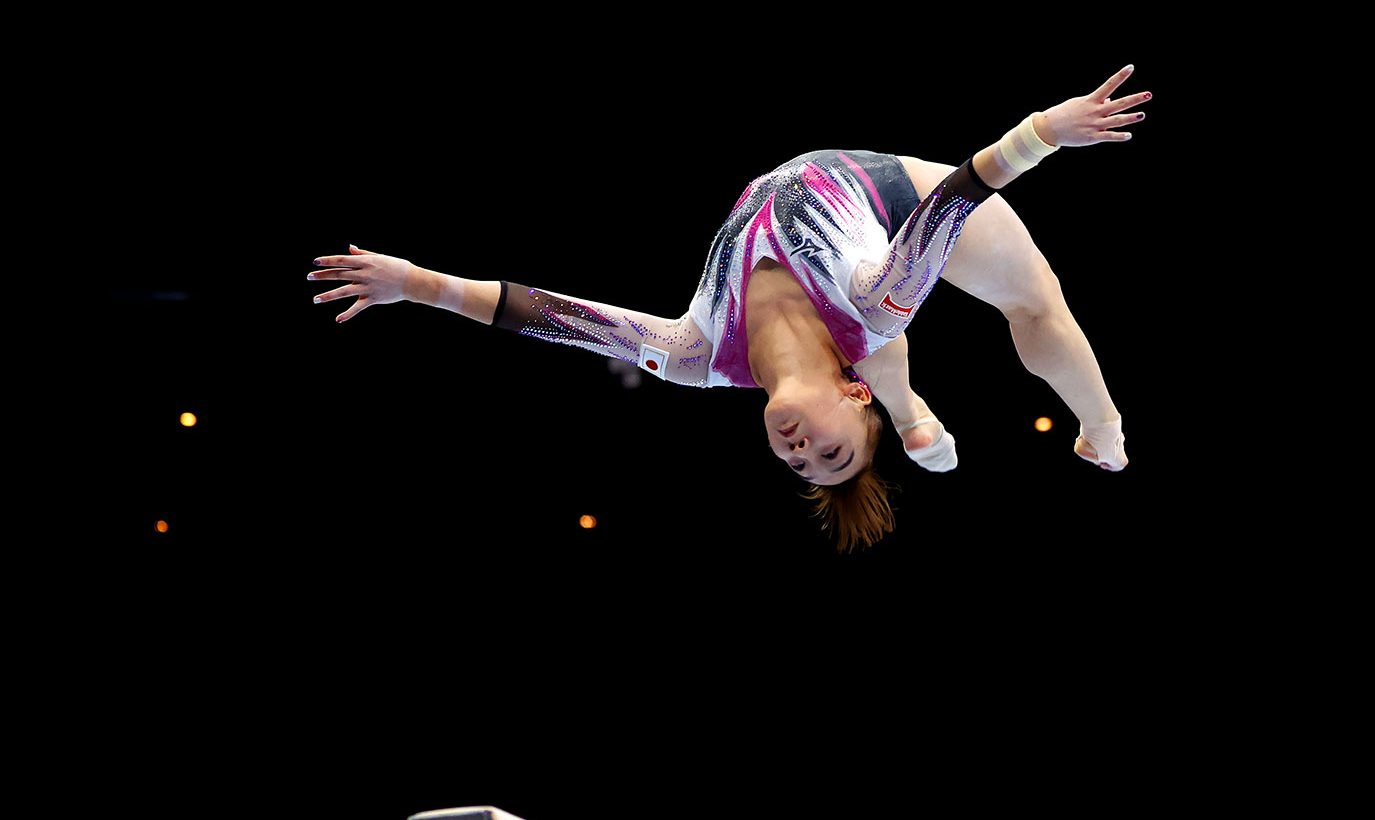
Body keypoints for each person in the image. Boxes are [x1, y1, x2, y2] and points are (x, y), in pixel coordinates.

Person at [306, 66, 1148, 550]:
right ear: (848, 403)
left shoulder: (695, 356)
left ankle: (920, 412)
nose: (799, 450)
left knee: (952, 333)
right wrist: (1047, 128)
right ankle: (1102, 428)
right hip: (893, 195)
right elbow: (958, 197)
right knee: (1038, 308)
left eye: (801, 465)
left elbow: (543, 315)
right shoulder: (880, 300)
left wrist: (414, 282)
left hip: (853, 293)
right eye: (830, 451)